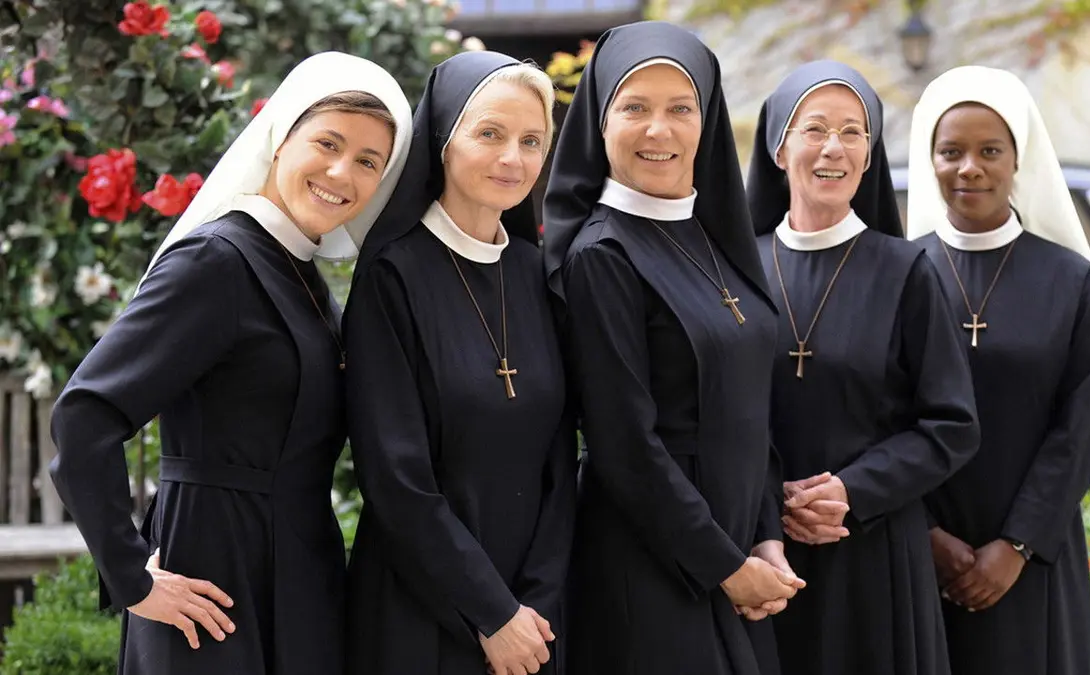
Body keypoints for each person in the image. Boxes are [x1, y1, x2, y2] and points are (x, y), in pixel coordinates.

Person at [48, 51, 412, 675]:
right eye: (327, 143)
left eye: (368, 161)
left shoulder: (301, 270)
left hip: (299, 572)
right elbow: (85, 416)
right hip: (211, 577)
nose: (341, 172)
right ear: (280, 138)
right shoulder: (216, 260)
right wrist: (132, 577)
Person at [542, 20, 802, 675]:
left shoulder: (715, 240)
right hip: (653, 565)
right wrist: (726, 566)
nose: (658, 130)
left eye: (681, 109)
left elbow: (750, 406)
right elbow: (624, 445)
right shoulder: (602, 255)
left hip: (736, 555)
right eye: (634, 108)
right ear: (601, 122)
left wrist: (766, 536)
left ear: (706, 121)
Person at [341, 51, 575, 675]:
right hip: (420, 607)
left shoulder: (535, 272)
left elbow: (560, 455)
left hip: (535, 620)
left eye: (531, 141)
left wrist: (536, 603)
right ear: (444, 140)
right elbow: (395, 477)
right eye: (490, 134)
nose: (513, 158)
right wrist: (493, 614)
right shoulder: (392, 275)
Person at [744, 60, 980, 675]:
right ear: (778, 148)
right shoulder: (736, 271)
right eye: (814, 128)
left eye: (853, 132)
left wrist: (852, 491)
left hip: (873, 550)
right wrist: (770, 508)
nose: (834, 148)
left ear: (869, 156)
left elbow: (951, 424)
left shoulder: (906, 272)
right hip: (760, 552)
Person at [906, 65, 1090, 675]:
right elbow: (876, 417)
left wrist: (1017, 544)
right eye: (952, 151)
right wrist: (925, 535)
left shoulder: (1069, 280)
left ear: (1019, 158)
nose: (969, 168)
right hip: (921, 556)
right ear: (930, 160)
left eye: (990, 151)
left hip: (1034, 557)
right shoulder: (898, 273)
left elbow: (1080, 429)